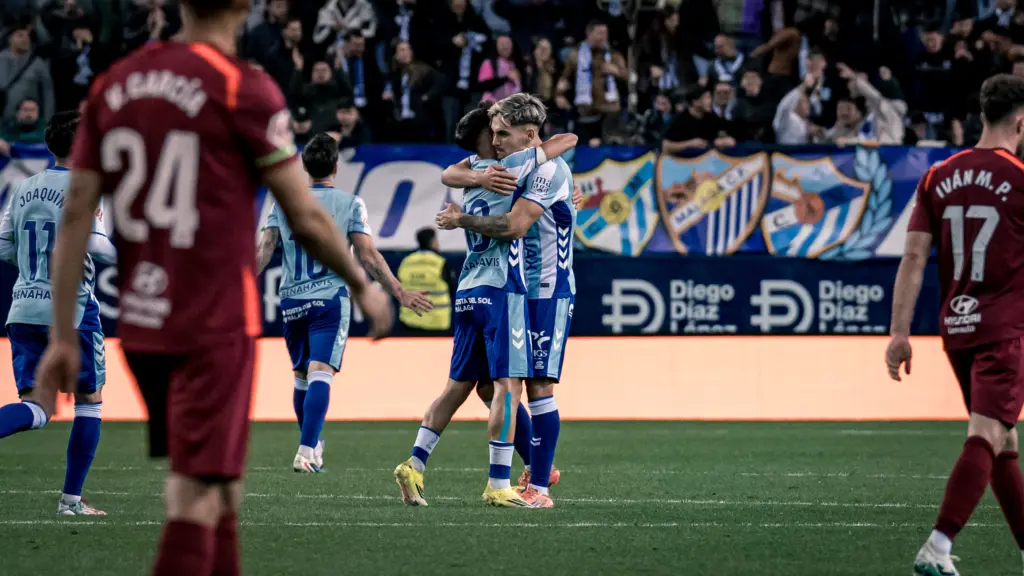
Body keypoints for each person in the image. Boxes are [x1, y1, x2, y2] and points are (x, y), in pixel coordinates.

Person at [35, 2, 393, 575]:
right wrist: (363, 284)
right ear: (246, 6)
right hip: (212, 324)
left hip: (144, 325)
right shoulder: (242, 88)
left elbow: (78, 212)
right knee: (194, 497)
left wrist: (61, 335)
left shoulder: (117, 83)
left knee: (220, 487)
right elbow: (302, 213)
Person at [393, 99, 577, 509]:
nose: (497, 141)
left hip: (545, 290)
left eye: (503, 134)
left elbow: (508, 203)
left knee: (527, 385)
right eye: (492, 134)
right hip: (507, 289)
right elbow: (565, 139)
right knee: (502, 385)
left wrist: (461, 214)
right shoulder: (505, 168)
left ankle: (537, 483)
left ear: (527, 135)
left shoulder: (534, 169)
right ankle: (513, 479)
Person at [887, 73, 1024, 576]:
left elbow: (914, 257)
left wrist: (899, 333)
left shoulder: (938, 175)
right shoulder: (1020, 178)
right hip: (1004, 329)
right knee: (988, 432)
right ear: (1021, 122)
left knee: (1004, 440)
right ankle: (938, 544)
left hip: (957, 328)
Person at [256, 133, 429, 472]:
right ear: (336, 166)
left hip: (292, 300)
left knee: (301, 375)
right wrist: (399, 292)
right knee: (322, 372)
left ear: (305, 167)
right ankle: (306, 451)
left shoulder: (284, 203)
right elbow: (368, 255)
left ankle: (311, 443)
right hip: (330, 300)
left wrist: (240, 284)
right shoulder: (351, 203)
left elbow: (264, 250)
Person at [0, 111, 115, 516]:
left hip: (23, 307)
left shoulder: (25, 186)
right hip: (71, 310)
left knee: (36, 408)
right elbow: (99, 249)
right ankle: (71, 501)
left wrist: (34, 270)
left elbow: (3, 246)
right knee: (90, 400)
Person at [396, 228, 455, 334]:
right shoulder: (440, 262)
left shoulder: (406, 261)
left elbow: (398, 287)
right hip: (437, 323)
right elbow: (451, 289)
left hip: (410, 321)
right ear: (433, 241)